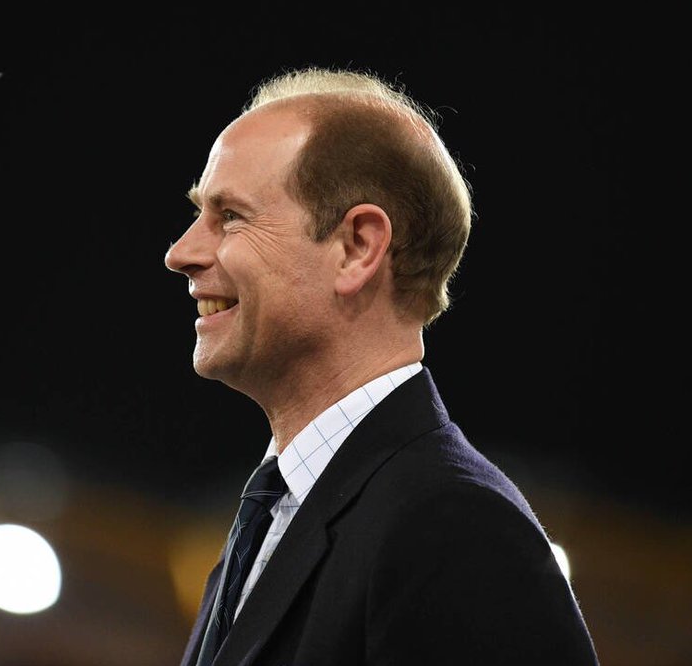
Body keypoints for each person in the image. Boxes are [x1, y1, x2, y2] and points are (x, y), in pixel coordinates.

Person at [164, 66, 600, 666]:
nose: (180, 253)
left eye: (230, 216)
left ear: (358, 247)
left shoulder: (454, 529)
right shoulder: (278, 518)